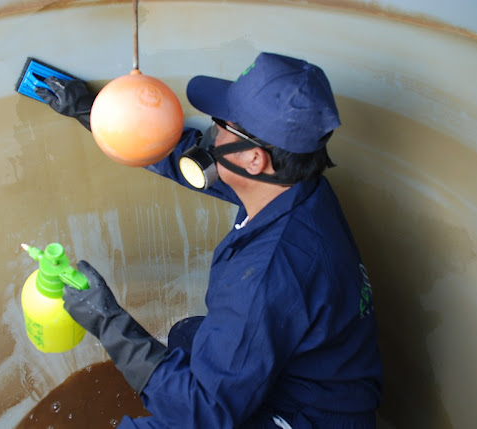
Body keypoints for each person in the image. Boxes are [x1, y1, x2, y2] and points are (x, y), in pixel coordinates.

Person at [35, 52, 383, 428]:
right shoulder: (297, 188)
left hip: (306, 417)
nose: (212, 135)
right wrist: (93, 113)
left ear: (254, 160)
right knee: (187, 337)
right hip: (324, 380)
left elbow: (203, 413)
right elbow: (187, 162)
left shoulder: (265, 276)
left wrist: (107, 321)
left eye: (223, 125)